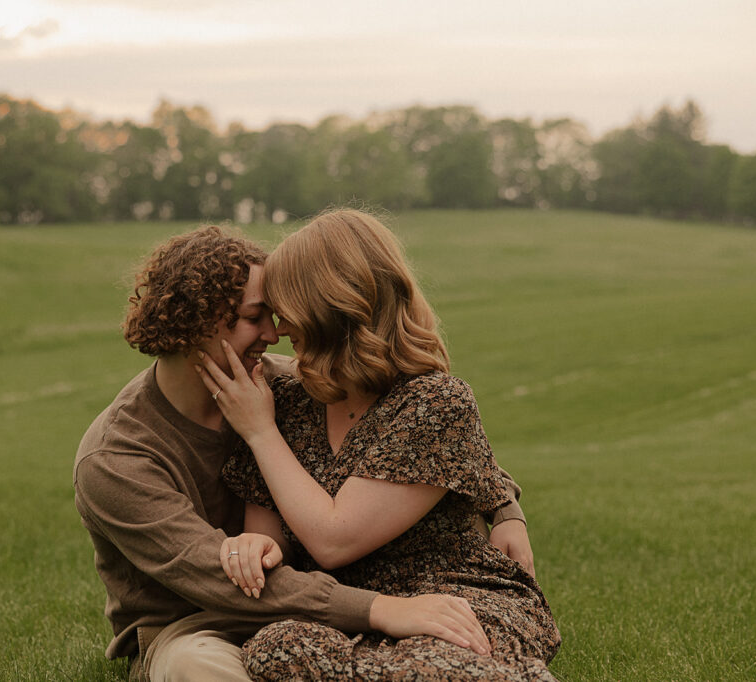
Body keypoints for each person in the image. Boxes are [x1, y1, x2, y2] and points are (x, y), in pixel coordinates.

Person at [73, 224, 536, 681]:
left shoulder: (284, 384)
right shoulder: (117, 457)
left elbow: (421, 431)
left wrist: (503, 502)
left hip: (316, 604)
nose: (274, 335)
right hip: (203, 621)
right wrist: (379, 609)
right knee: (198, 667)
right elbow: (220, 581)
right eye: (256, 317)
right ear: (196, 322)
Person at [197, 210, 561, 680]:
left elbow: (333, 538)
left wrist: (260, 433)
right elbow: (273, 536)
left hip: (453, 596)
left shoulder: (434, 402)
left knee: (428, 661)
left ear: (332, 307)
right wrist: (257, 547)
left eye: (286, 309)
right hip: (345, 609)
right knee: (276, 648)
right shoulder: (283, 399)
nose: (279, 330)